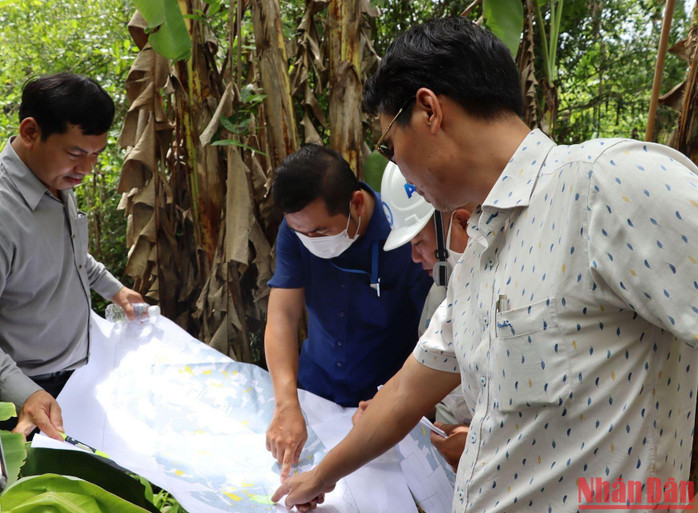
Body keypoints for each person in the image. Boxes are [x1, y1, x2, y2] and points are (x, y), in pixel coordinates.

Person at [273, 16, 698, 512]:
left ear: (429, 110)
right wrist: (319, 476)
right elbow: (406, 392)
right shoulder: (479, 258)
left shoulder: (607, 184)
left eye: (388, 145)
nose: (395, 165)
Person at [0, 73, 144, 441]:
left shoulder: (54, 179)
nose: (87, 169)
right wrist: (24, 392)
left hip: (74, 379)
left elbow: (69, 255)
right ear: (31, 132)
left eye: (95, 155)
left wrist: (114, 289)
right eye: (76, 154)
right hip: (22, 398)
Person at [264, 145, 431, 479]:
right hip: (314, 394)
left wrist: (391, 400)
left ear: (356, 203)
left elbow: (432, 336)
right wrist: (286, 404)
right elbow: (282, 315)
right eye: (301, 233)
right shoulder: (296, 231)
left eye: (319, 232)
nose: (310, 241)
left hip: (384, 403)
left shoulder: (406, 233)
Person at [353, 161, 473, 470]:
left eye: (419, 243)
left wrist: (480, 443)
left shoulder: (516, 290)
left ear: (461, 222)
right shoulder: (438, 297)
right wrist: (389, 409)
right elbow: (433, 389)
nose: (414, 257)